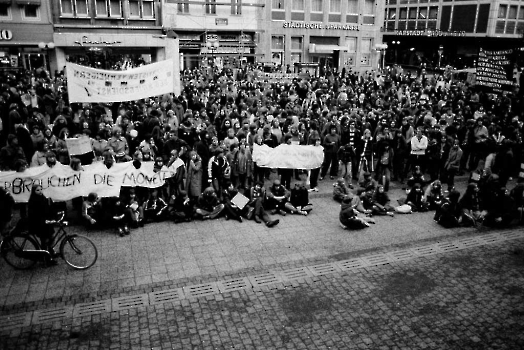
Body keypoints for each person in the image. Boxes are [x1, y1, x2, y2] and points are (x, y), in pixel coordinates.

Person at [27, 184, 58, 265]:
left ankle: (50, 251)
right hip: (40, 224)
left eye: (41, 189)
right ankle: (46, 259)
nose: (40, 191)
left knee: (51, 237)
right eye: (37, 190)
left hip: (47, 223)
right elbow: (34, 215)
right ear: (33, 191)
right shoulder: (33, 201)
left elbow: (48, 209)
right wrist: (44, 220)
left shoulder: (43, 198)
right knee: (44, 241)